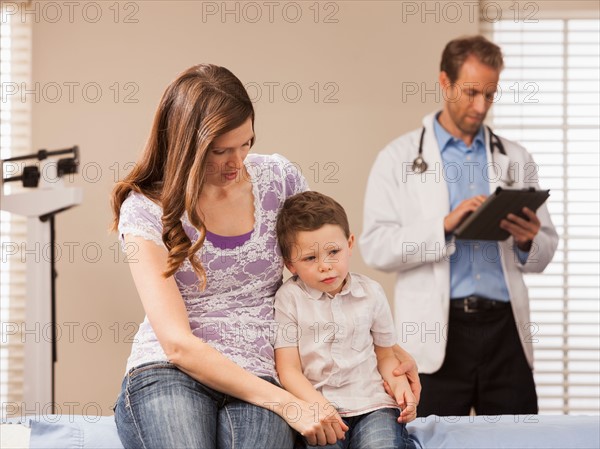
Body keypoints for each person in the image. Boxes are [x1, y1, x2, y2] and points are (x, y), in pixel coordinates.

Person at [110, 64, 420, 448]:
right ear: (184, 144)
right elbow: (177, 343)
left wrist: (387, 351)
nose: (236, 163)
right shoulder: (145, 207)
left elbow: (319, 277)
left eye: (246, 144)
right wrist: (290, 407)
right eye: (220, 151)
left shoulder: (279, 179)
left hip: (261, 372)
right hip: (168, 370)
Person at [360, 36, 558, 417]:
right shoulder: (398, 157)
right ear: (444, 82)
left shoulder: (515, 158)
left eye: (490, 94)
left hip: (505, 333)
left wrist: (527, 240)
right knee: (430, 439)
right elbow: (376, 247)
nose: (480, 106)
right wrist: (444, 226)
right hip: (438, 335)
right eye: (470, 92)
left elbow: (544, 252)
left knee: (520, 443)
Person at [274, 191, 418, 449]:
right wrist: (318, 406)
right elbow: (288, 369)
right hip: (319, 406)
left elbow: (385, 355)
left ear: (350, 244)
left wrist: (399, 387)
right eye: (310, 258)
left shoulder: (371, 293)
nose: (325, 265)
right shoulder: (289, 299)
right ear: (290, 264)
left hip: (373, 404)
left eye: (333, 252)